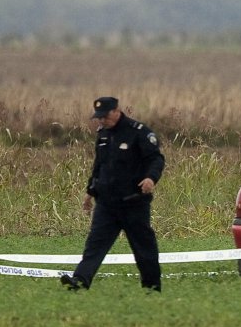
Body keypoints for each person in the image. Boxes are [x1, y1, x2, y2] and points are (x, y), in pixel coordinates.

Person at [61, 96, 165, 291]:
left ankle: (152, 286)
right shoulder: (103, 135)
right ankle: (81, 281)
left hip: (133, 203)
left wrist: (151, 178)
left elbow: (156, 159)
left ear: (117, 111)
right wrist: (90, 192)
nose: (102, 121)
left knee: (143, 248)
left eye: (105, 116)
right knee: (94, 246)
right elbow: (99, 165)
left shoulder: (139, 133)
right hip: (107, 204)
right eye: (99, 117)